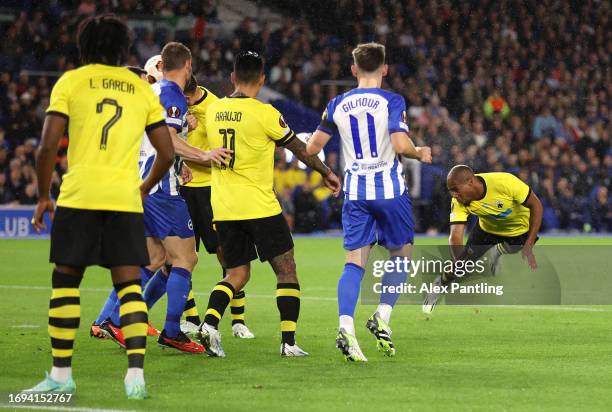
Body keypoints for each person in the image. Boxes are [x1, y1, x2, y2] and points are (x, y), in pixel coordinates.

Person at [25, 14, 175, 399]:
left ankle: (61, 374)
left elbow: (45, 148)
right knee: (129, 287)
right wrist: (142, 188)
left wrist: (44, 196)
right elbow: (167, 152)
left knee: (66, 283)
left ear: (84, 46)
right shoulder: (142, 90)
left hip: (79, 196)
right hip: (124, 198)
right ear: (124, 48)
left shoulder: (71, 81)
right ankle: (136, 377)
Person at [197, 51, 341, 357]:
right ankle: (288, 343)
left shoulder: (214, 110)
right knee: (286, 270)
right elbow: (300, 149)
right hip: (259, 206)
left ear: (233, 78)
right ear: (262, 80)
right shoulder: (265, 113)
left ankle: (209, 325)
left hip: (223, 206)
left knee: (236, 275)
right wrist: (326, 172)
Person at [306, 42, 432, 361]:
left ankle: (346, 327)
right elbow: (401, 144)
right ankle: (382, 317)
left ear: (353, 70)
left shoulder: (337, 103)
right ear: (385, 69)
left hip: (356, 192)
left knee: (354, 263)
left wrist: (327, 169)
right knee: (401, 254)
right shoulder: (391, 100)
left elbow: (312, 147)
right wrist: (420, 152)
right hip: (389, 192)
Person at [182, 75, 255, 339]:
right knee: (182, 256)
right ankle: (190, 317)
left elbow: (220, 156)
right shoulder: (174, 107)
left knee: (227, 253)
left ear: (193, 94)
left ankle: (238, 321)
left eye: (186, 100)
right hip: (181, 191)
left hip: (209, 190)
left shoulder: (214, 108)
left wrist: (189, 157)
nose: (183, 103)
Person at [422, 164, 543, 313]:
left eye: (456, 189)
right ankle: (440, 284)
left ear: (470, 182)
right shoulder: (459, 201)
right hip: (486, 231)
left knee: (515, 248)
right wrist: (461, 265)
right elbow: (455, 236)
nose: (454, 195)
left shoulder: (505, 182)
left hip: (518, 231)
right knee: (462, 264)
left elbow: (536, 205)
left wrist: (529, 244)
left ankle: (497, 251)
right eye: (451, 191)